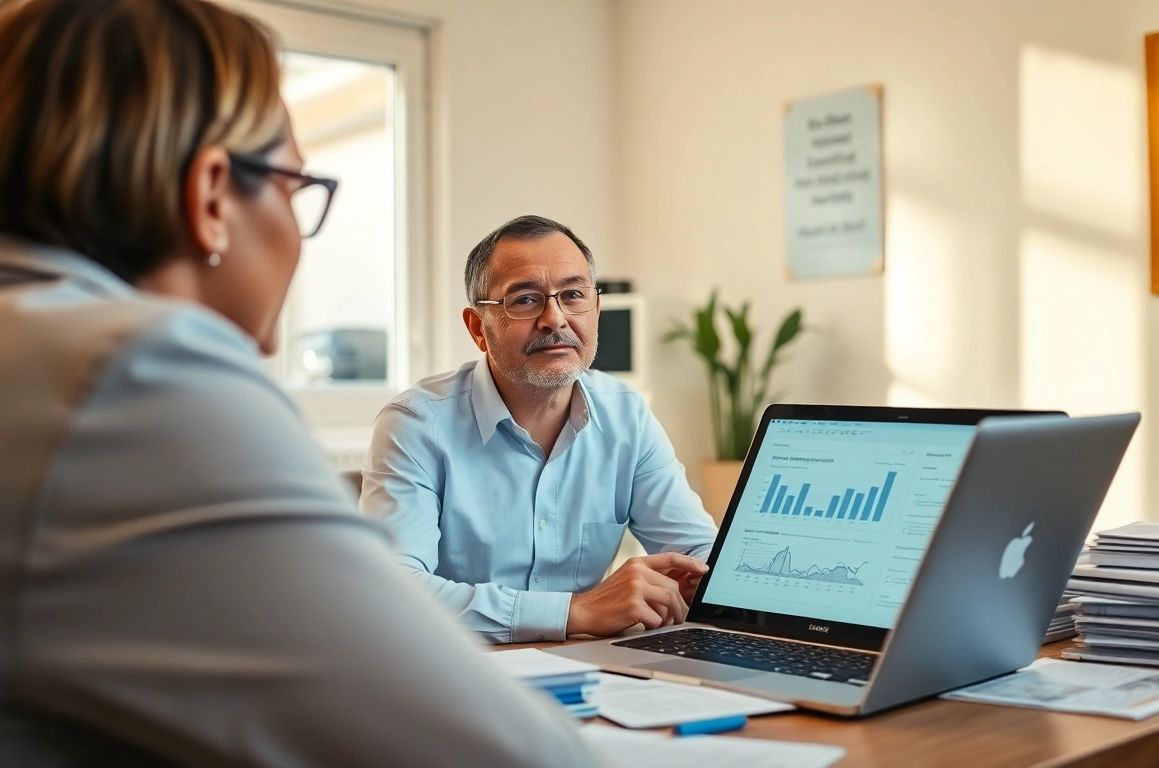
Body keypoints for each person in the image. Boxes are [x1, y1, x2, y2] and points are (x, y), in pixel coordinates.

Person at [0, 1, 602, 765]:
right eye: (292, 189)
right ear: (212, 198)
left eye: (575, 294)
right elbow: (482, 745)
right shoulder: (140, 372)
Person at [359, 216, 717, 644]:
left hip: (593, 664)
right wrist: (576, 611)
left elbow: (696, 552)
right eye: (526, 300)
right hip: (460, 666)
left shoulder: (627, 416)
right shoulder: (416, 424)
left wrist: (709, 582)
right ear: (478, 328)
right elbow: (394, 592)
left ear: (596, 310)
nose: (555, 318)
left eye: (573, 295)